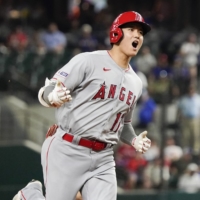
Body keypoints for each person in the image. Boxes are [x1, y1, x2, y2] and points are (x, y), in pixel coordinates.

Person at [13, 11, 152, 200]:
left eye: (141, 32)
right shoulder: (88, 61)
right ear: (116, 34)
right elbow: (48, 88)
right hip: (68, 148)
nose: (137, 35)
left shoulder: (136, 83)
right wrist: (52, 96)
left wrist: (134, 140)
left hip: (103, 157)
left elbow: (124, 124)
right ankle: (30, 195)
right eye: (131, 29)